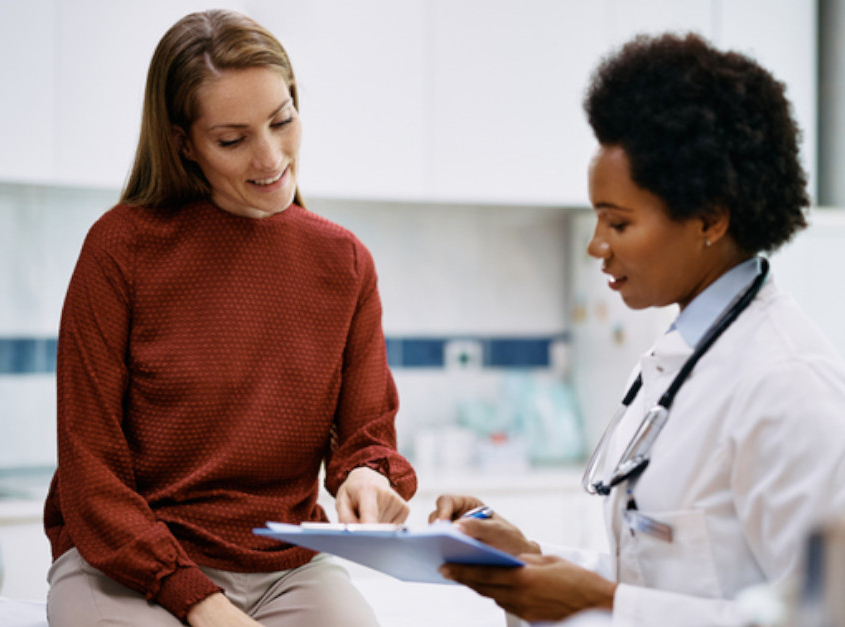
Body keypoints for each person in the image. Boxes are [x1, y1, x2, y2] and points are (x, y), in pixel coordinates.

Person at [430, 33, 845, 626]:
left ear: (709, 218)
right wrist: (530, 562)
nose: (597, 246)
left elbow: (825, 614)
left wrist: (601, 602)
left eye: (617, 223)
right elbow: (669, 575)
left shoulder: (788, 384)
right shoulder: (679, 361)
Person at [43, 9, 416, 627]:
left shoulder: (344, 262)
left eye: (283, 120)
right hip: (126, 561)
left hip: (287, 566)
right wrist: (197, 601)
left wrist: (369, 481)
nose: (271, 157)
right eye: (232, 139)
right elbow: (91, 474)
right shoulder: (121, 249)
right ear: (183, 141)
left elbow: (365, 437)